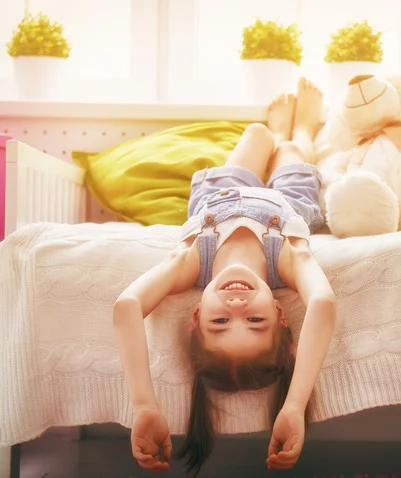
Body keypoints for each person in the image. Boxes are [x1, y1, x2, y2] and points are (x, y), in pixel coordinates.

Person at [113, 78, 337, 475]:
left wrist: (144, 406)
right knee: (288, 147)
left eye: (220, 321)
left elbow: (128, 306)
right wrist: (294, 406)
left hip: (219, 196)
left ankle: (278, 130)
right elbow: (322, 303)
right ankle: (303, 128)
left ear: (196, 314)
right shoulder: (286, 261)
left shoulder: (191, 263)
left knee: (257, 134)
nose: (237, 306)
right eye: (255, 321)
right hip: (289, 201)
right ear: (281, 314)